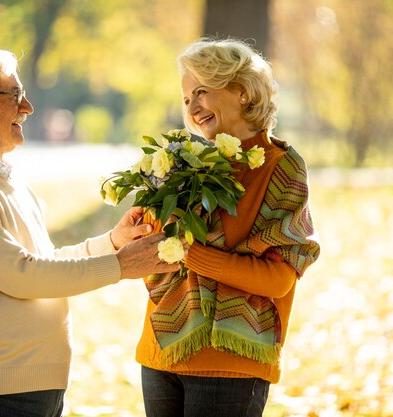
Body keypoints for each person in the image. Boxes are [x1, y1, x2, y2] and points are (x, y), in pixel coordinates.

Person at [0, 46, 180, 417]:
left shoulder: (5, 179)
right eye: (14, 96)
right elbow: (21, 275)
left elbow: (41, 263)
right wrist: (120, 266)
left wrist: (111, 244)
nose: (27, 108)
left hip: (31, 389)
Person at [135, 38, 321, 417]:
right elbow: (151, 259)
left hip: (232, 361)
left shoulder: (279, 168)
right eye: (187, 99)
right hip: (161, 351)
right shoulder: (183, 164)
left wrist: (193, 254)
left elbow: (278, 278)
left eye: (202, 91)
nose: (193, 107)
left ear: (241, 91)